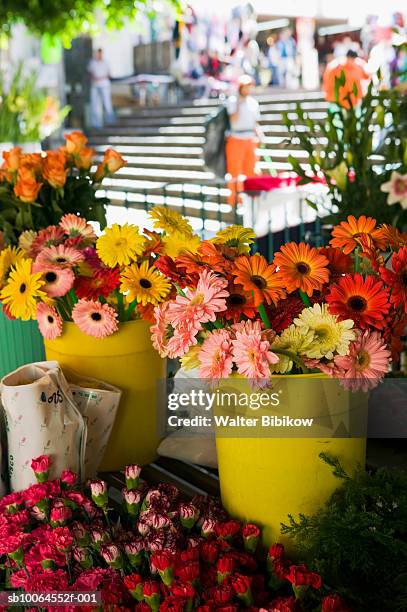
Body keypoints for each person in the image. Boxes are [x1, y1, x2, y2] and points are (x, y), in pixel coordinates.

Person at [225, 74, 262, 204]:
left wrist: (260, 135)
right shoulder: (232, 101)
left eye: (249, 86)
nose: (247, 89)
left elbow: (255, 122)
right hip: (235, 138)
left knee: (251, 171)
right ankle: (235, 200)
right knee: (235, 172)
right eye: (245, 87)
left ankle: (251, 200)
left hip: (250, 139)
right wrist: (239, 104)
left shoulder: (253, 103)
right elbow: (233, 119)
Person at [87, 48, 115, 129]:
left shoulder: (106, 62)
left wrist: (101, 78)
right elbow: (90, 73)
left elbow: (109, 74)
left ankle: (110, 122)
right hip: (95, 85)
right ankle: (96, 124)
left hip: (104, 85)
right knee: (94, 105)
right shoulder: (92, 63)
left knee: (107, 103)